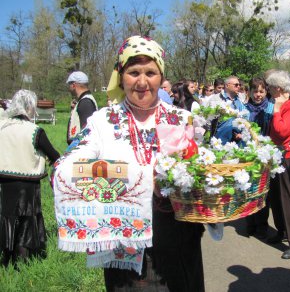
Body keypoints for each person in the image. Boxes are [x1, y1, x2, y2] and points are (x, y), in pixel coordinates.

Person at [52, 36, 205, 292]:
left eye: (151, 72)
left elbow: (200, 170)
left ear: (161, 76)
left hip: (178, 239)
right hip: (124, 247)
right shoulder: (102, 122)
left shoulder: (183, 119)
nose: (142, 82)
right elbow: (64, 168)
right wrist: (146, 178)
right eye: (134, 72)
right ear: (121, 77)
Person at [0, 89, 60, 267]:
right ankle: (23, 257)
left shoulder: (2, 127)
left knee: (7, 216)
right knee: (27, 218)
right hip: (27, 182)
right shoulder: (35, 131)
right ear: (29, 107)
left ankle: (6, 256)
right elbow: (54, 154)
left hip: (4, 181)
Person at [264, 70, 290, 259]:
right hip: (276, 155)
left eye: (270, 87)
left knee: (287, 198)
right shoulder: (280, 104)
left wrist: (277, 111)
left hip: (286, 155)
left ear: (278, 88)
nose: (268, 91)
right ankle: (282, 231)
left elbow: (281, 131)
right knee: (275, 197)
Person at [244, 77, 274, 239]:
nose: (258, 94)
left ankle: (262, 224)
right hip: (248, 153)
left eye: (261, 91)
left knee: (263, 190)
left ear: (266, 92)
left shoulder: (270, 108)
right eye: (255, 91)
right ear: (249, 92)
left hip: (265, 154)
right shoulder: (244, 109)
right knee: (249, 188)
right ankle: (250, 222)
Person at [66, 71, 98, 144]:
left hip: (82, 150)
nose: (69, 87)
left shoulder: (85, 103)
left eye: (69, 85)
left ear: (74, 85)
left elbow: (88, 132)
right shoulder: (83, 101)